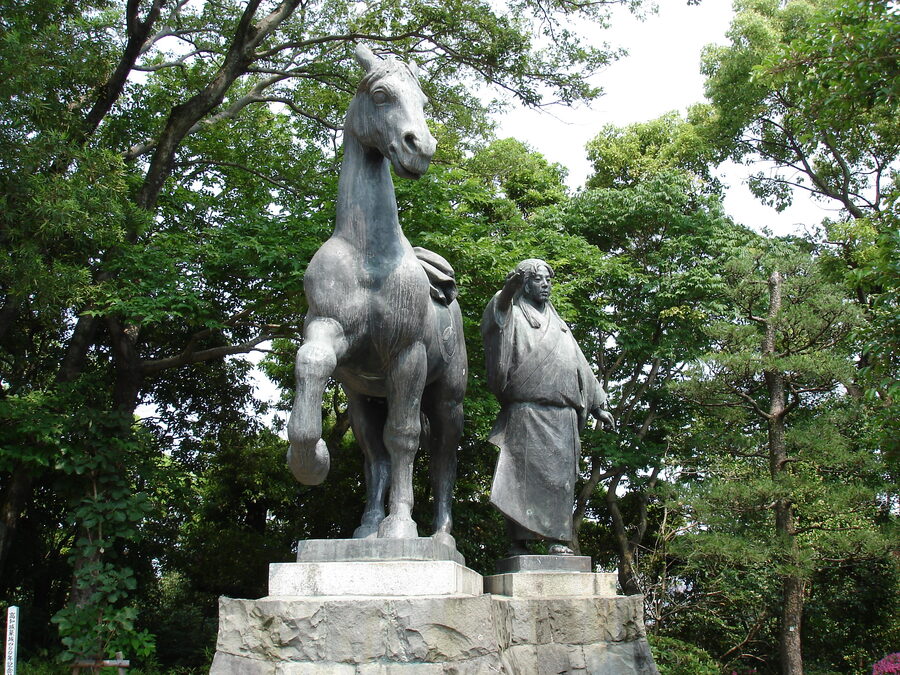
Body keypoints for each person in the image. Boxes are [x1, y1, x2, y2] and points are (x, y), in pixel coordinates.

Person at [481, 259, 614, 556]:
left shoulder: (559, 324)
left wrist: (598, 405)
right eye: (539, 279)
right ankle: (519, 542)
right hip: (527, 412)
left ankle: (557, 539)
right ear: (525, 283)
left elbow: (579, 363)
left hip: (563, 416)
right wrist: (508, 289)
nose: (546, 285)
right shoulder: (511, 313)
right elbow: (496, 314)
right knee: (519, 479)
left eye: (548, 280)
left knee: (560, 481)